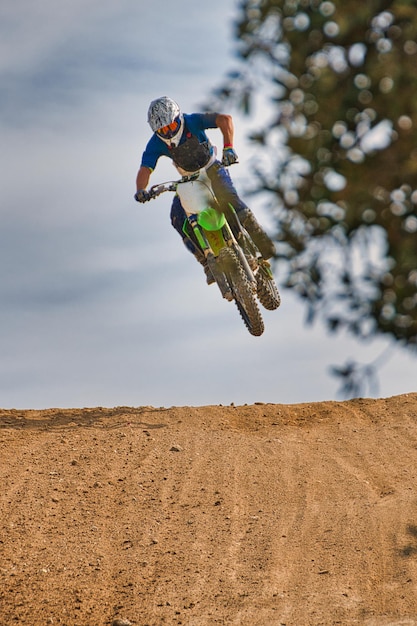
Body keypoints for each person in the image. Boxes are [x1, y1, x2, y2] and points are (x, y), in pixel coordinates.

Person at [134, 96, 275, 284]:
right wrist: (141, 189)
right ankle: (207, 262)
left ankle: (259, 240)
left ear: (178, 118)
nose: (168, 132)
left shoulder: (192, 121)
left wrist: (229, 148)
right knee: (177, 217)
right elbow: (145, 167)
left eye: (170, 126)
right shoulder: (155, 143)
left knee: (229, 198)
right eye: (162, 129)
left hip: (211, 168)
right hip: (187, 180)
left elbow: (225, 119)